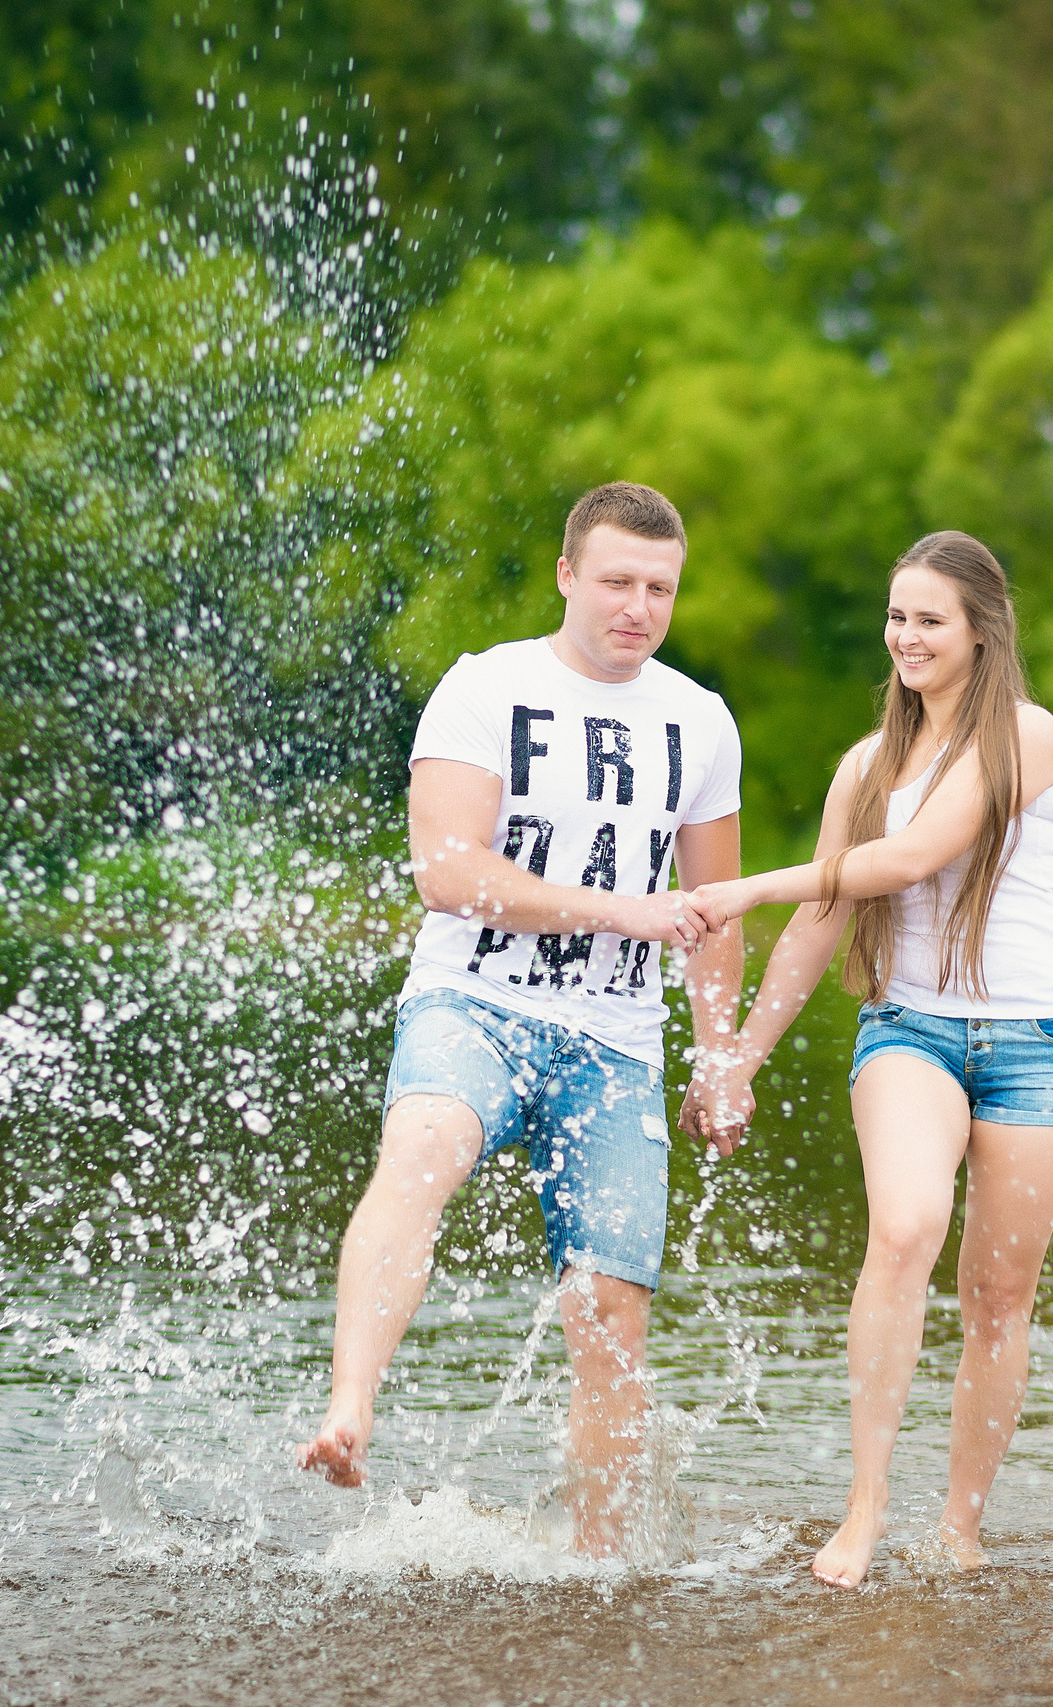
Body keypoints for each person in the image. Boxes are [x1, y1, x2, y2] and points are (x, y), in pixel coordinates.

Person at [297, 481, 750, 1557]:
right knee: (423, 1148)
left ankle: (599, 1560)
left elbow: (714, 913)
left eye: (660, 589)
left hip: (616, 1043)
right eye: (617, 582)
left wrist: (719, 1056)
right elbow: (447, 873)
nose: (638, 607)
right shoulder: (485, 687)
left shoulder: (700, 720)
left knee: (611, 1304)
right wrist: (622, 910)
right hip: (475, 1003)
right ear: (566, 575)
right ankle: (350, 1408)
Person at [687, 530, 1053, 1588]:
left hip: (1043, 1041)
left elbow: (913, 857)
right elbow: (825, 918)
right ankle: (865, 1508)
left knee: (997, 1295)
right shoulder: (865, 766)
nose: (906, 637)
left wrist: (748, 885)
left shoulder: (1028, 736)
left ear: (980, 630)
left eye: (928, 619)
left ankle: (959, 1525)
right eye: (896, 616)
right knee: (907, 1227)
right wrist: (736, 1059)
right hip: (910, 1027)